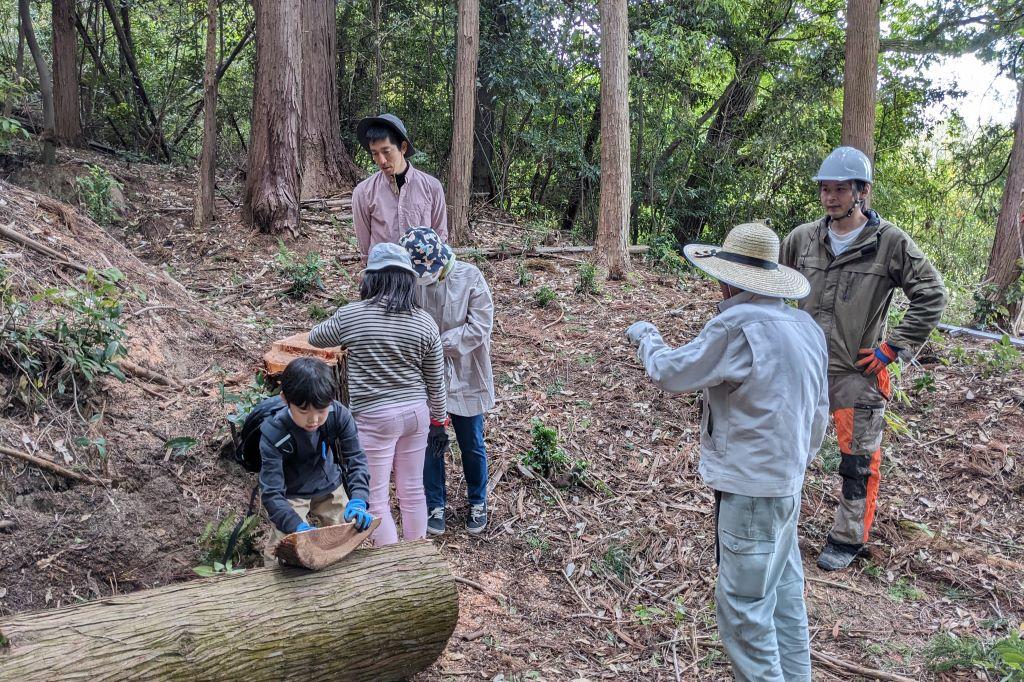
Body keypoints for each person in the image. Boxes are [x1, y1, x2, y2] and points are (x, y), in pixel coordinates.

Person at [626, 222, 829, 682]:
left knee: (744, 610)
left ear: (729, 278)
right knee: (783, 599)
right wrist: (795, 465)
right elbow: (818, 414)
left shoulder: (738, 325)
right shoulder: (805, 327)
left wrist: (646, 338)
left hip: (750, 490)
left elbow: (672, 374)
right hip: (786, 485)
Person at [780, 146, 947, 571]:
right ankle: (779, 523)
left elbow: (931, 294)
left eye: (840, 189)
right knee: (787, 448)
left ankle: (847, 538)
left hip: (857, 374)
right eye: (824, 189)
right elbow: (774, 290)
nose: (830, 197)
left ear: (862, 191)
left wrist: (893, 347)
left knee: (857, 463)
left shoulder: (889, 243)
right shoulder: (802, 239)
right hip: (803, 369)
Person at [308, 242, 448, 545]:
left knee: (375, 497)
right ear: (408, 280)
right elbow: (436, 381)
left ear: (371, 279)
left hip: (375, 416)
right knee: (413, 490)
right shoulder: (424, 321)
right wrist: (439, 421)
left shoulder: (352, 316)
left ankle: (392, 566)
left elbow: (315, 337)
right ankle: (417, 557)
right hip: (416, 414)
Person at [399, 227, 494, 535]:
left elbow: (480, 326)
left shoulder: (470, 277)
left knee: (472, 442)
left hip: (466, 372)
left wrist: (440, 342)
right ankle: (435, 503)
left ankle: (478, 500)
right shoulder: (413, 282)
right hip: (426, 376)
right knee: (431, 443)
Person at [259, 357, 373, 562]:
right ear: (286, 399)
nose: (313, 420)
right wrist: (296, 527)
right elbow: (272, 492)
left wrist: (358, 499)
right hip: (291, 492)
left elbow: (356, 459)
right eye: (304, 411)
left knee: (348, 539)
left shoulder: (339, 415)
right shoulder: (273, 432)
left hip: (330, 484)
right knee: (280, 553)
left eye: (321, 411)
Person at [352, 114, 448, 263]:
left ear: (403, 147)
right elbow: (365, 249)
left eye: (386, 151)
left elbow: (440, 238)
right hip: (383, 273)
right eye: (375, 154)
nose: (382, 160)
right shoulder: (363, 192)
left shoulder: (432, 187)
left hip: (422, 275)